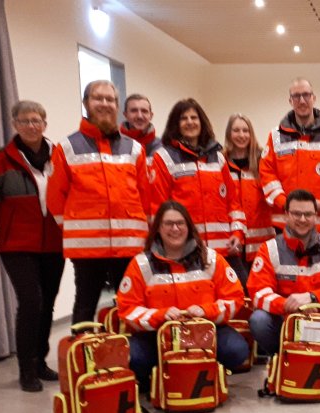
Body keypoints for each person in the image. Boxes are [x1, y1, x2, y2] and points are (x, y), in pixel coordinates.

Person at [0, 100, 64, 392]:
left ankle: (40, 362)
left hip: (54, 243)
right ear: (15, 124)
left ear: (45, 124)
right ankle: (26, 368)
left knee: (47, 303)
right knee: (31, 302)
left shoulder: (60, 157)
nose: (31, 125)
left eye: (36, 120)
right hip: (16, 245)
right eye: (24, 121)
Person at [48, 80, 150, 324]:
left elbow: (145, 197)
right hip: (87, 249)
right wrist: (74, 229)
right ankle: (83, 357)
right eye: (98, 98)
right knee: (85, 305)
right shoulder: (67, 148)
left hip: (129, 244)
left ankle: (130, 357)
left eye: (110, 99)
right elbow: (54, 198)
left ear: (117, 106)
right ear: (86, 104)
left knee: (131, 305)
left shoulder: (134, 149)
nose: (104, 104)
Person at [117, 200, 249, 388]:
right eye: (168, 224)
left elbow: (235, 298)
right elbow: (127, 309)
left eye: (180, 223)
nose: (175, 229)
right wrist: (159, 316)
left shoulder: (210, 259)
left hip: (206, 332)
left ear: (188, 226)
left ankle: (202, 370)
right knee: (133, 358)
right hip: (156, 336)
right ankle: (164, 375)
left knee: (237, 351)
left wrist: (206, 311)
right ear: (158, 229)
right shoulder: (140, 264)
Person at [247, 189, 320, 388]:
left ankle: (298, 364)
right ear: (286, 214)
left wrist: (313, 298)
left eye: (308, 214)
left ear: (316, 216)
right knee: (258, 320)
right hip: (285, 325)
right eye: (296, 213)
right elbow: (258, 293)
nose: (302, 219)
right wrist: (290, 306)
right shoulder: (269, 249)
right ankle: (281, 357)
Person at [151, 98, 246, 273]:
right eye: (184, 118)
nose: (190, 122)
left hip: (224, 250)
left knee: (242, 294)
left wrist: (238, 233)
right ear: (176, 124)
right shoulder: (164, 158)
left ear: (201, 122)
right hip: (186, 251)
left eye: (194, 118)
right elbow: (158, 208)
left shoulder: (218, 158)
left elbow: (234, 203)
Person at [259, 78, 320, 237]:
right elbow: (267, 175)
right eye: (296, 96)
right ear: (290, 101)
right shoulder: (275, 137)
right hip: (286, 224)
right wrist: (285, 204)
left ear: (314, 98)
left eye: (306, 95)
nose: (302, 100)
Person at [223, 113, 275, 287]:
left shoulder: (263, 161)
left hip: (260, 243)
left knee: (258, 290)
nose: (241, 135)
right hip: (231, 242)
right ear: (229, 134)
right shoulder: (219, 161)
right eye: (236, 130)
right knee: (238, 291)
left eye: (245, 130)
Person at [120, 94, 162, 160]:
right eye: (134, 111)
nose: (139, 116)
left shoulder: (162, 148)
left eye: (144, 111)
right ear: (125, 115)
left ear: (151, 116)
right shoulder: (113, 145)